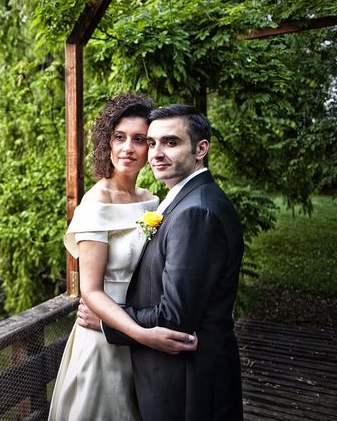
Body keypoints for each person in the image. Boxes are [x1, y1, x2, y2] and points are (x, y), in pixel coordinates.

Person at [81, 104, 244, 421]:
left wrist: (107, 323)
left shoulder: (196, 211)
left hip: (185, 382)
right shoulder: (183, 199)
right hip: (178, 374)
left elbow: (173, 318)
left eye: (171, 142)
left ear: (200, 149)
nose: (156, 153)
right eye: (152, 143)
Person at [48, 94, 197, 421]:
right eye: (119, 137)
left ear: (151, 147)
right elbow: (91, 290)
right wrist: (144, 335)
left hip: (143, 334)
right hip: (105, 339)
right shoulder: (95, 204)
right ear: (108, 143)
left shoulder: (151, 201)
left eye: (139, 139)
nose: (128, 147)